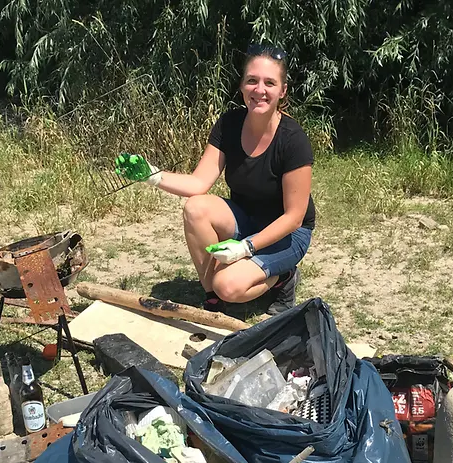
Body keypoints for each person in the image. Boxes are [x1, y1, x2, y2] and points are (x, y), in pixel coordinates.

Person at [116, 44, 316, 314]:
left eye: (270, 83)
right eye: (252, 80)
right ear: (242, 86)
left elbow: (294, 217)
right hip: (246, 219)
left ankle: (283, 278)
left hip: (288, 234)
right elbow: (198, 184)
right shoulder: (229, 124)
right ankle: (212, 295)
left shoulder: (293, 139)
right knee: (195, 207)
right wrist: (153, 175)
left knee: (230, 286)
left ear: (282, 91)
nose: (260, 90)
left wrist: (246, 247)